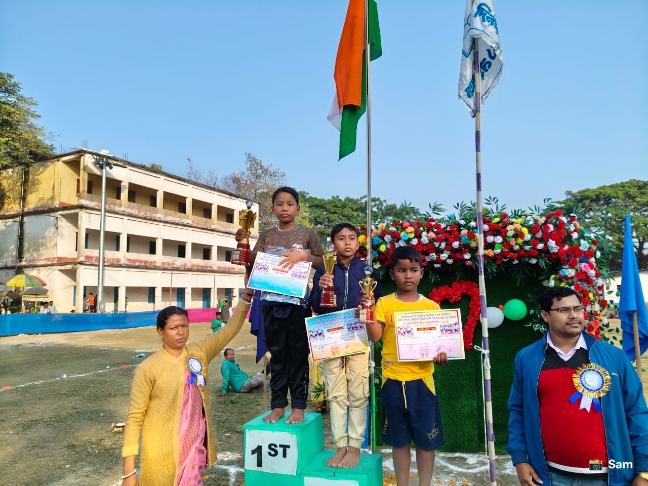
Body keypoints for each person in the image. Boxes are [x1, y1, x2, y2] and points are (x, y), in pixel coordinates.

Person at [507, 287, 648, 486]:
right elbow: (518, 410)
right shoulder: (526, 358)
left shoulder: (614, 357)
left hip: (606, 476)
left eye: (578, 308)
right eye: (564, 310)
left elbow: (636, 412)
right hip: (549, 475)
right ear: (545, 315)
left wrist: (644, 470)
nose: (574, 315)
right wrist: (520, 458)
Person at [121, 294, 252, 486]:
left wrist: (247, 296)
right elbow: (134, 418)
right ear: (160, 332)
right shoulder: (147, 369)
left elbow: (229, 330)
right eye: (174, 328)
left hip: (193, 449)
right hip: (161, 456)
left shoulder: (199, 352)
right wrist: (129, 471)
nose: (181, 332)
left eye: (184, 326)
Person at [235, 186, 324, 424]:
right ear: (273, 208)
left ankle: (298, 406)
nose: (285, 208)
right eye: (279, 204)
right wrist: (242, 242)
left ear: (298, 208)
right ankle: (277, 405)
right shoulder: (266, 236)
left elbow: (323, 261)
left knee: (298, 354)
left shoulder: (307, 234)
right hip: (271, 304)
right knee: (277, 356)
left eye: (290, 204)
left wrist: (304, 256)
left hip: (298, 305)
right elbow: (252, 262)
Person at [364, 246, 448, 486]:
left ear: (422, 273)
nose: (408, 275)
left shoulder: (431, 307)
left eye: (413, 270)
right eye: (402, 270)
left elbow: (440, 346)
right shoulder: (384, 303)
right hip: (392, 381)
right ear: (392, 274)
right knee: (399, 441)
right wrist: (368, 311)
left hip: (422, 383)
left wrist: (442, 355)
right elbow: (375, 336)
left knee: (426, 441)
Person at [309, 223, 385, 468]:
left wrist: (369, 302)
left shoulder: (368, 271)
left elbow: (378, 303)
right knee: (335, 394)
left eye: (351, 238)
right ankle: (340, 446)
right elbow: (315, 305)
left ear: (358, 241)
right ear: (333, 243)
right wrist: (320, 289)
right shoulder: (324, 269)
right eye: (341, 238)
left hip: (358, 337)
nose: (347, 242)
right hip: (331, 339)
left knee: (359, 393)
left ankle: (355, 447)